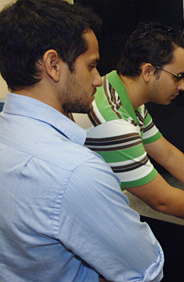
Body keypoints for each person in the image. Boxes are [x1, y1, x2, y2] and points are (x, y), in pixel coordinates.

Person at [0, 1, 164, 281]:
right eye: (91, 66)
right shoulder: (75, 173)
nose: (98, 80)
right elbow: (145, 270)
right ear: (53, 65)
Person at [72, 22, 184, 222]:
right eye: (178, 77)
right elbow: (162, 200)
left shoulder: (121, 94)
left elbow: (168, 155)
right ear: (148, 71)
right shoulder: (114, 122)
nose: (182, 86)